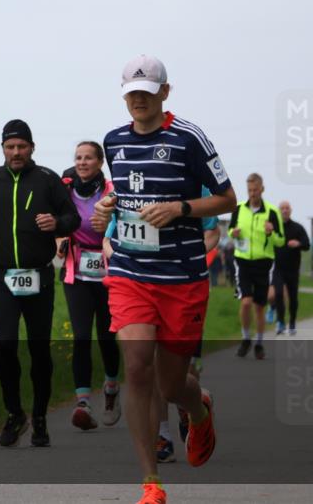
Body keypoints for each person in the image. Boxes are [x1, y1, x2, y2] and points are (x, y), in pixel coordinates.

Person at [92, 55, 236, 504]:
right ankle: (151, 483)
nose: (138, 99)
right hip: (131, 273)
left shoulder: (188, 138)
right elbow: (124, 194)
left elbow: (227, 199)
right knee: (137, 367)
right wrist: (106, 211)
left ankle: (198, 407)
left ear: (165, 93)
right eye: (132, 92)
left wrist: (181, 208)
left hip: (182, 276)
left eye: (147, 92)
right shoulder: (113, 141)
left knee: (171, 385)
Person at [0, 119, 81, 448]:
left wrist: (57, 222)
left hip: (38, 276)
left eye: (22, 146)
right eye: (10, 147)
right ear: (2, 149)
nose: (16, 152)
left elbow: (72, 217)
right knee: (5, 347)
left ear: (32, 148)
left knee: (39, 349)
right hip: (0, 276)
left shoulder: (47, 180)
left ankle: (40, 416)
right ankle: (15, 413)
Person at [104, 187, 220, 464]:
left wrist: (184, 255)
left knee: (177, 374)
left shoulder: (196, 186)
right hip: (138, 285)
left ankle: (193, 407)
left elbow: (213, 233)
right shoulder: (130, 185)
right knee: (145, 364)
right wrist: (120, 258)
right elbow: (109, 237)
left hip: (183, 285)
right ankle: (163, 436)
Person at [57, 141, 121, 431]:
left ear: (100, 162)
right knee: (81, 336)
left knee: (107, 336)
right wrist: (58, 241)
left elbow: (122, 227)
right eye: (78, 158)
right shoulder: (66, 190)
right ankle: (82, 402)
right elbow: (57, 223)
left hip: (109, 273)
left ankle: (110, 389)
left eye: (88, 158)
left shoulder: (111, 191)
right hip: (77, 273)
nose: (82, 162)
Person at [229, 173, 285, 359]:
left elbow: (280, 241)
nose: (252, 194)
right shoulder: (238, 210)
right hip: (243, 261)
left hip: (264, 263)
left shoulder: (271, 212)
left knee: (259, 306)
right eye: (249, 190)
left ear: (262, 189)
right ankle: (246, 339)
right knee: (246, 302)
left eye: (255, 190)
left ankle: (259, 343)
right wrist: (233, 233)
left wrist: (270, 233)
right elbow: (230, 230)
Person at [272, 201, 311, 335]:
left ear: (291, 210)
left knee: (293, 298)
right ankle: (280, 322)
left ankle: (292, 322)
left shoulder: (298, 228)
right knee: (278, 294)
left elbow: (307, 245)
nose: (284, 210)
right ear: (278, 211)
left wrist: (298, 243)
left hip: (293, 269)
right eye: (282, 208)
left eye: (287, 208)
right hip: (277, 268)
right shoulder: (275, 228)